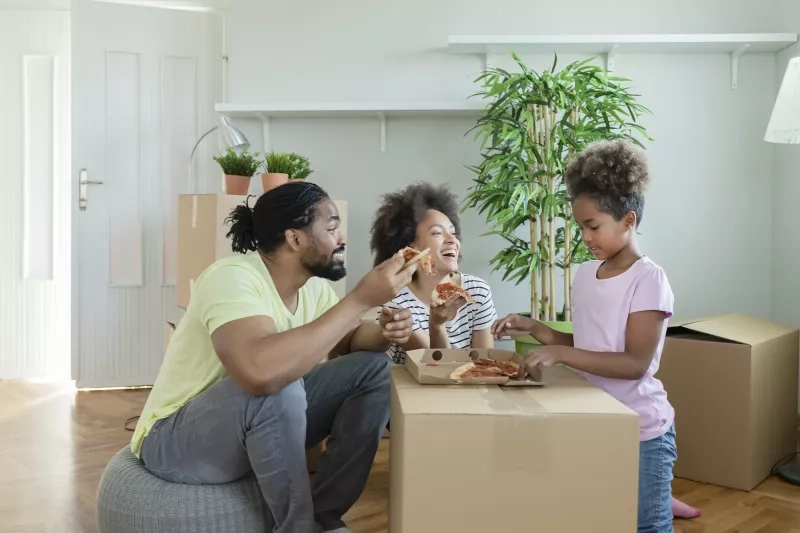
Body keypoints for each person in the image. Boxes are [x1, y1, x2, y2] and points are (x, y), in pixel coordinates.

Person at [130, 181, 417, 533]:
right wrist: (359, 299)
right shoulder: (232, 277)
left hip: (249, 425)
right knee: (279, 385)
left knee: (374, 368)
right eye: (331, 228)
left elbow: (351, 339)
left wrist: (385, 332)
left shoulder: (312, 288)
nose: (342, 238)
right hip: (175, 440)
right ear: (295, 239)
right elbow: (259, 373)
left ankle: (324, 518)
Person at [491, 139, 700, 532]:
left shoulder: (648, 279)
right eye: (580, 226)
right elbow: (590, 346)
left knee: (648, 526)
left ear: (629, 221)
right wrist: (536, 329)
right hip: (593, 420)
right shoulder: (587, 274)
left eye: (593, 226)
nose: (585, 237)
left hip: (641, 431)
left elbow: (634, 363)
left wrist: (561, 357)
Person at [368, 182, 497, 364]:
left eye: (453, 233)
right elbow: (438, 365)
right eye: (437, 233)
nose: (452, 240)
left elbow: (485, 365)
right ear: (411, 247)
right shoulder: (398, 304)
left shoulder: (478, 291)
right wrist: (437, 325)